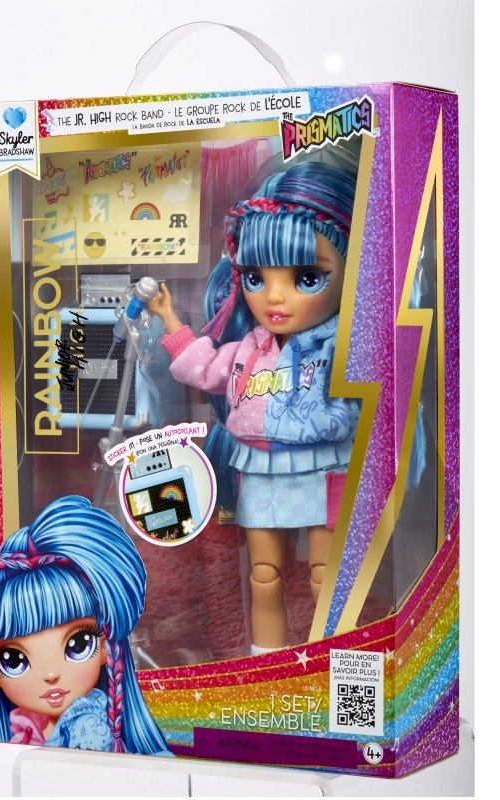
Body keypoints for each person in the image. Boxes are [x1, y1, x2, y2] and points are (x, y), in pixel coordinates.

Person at [147, 161, 361, 654]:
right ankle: (266, 664)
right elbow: (205, 368)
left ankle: (336, 661)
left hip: (323, 465)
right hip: (260, 468)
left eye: (307, 277)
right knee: (263, 574)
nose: (275, 297)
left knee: (327, 574)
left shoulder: (339, 346)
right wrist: (170, 319)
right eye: (256, 277)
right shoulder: (251, 347)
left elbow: (359, 400)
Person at [0, 496, 172, 755]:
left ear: (104, 648)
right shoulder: (23, 725)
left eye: (78, 644)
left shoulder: (90, 727)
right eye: (13, 659)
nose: (51, 674)